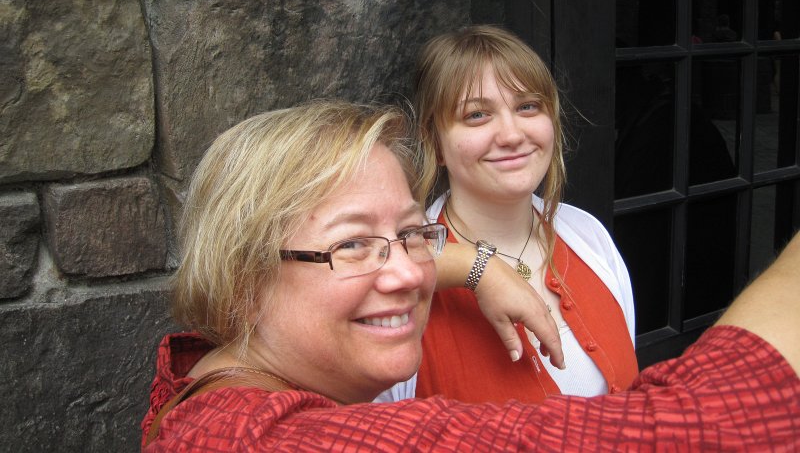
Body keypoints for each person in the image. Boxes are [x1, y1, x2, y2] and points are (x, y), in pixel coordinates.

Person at [142, 99, 799, 451]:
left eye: (411, 235)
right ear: (240, 281)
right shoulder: (265, 441)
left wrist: (471, 265)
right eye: (352, 245)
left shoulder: (588, 236)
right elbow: (710, 428)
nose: (406, 273)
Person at [406, 25, 637, 403]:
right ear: (435, 141)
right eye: (477, 115)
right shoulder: (402, 283)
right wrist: (477, 268)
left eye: (527, 106)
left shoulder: (588, 236)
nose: (512, 135)